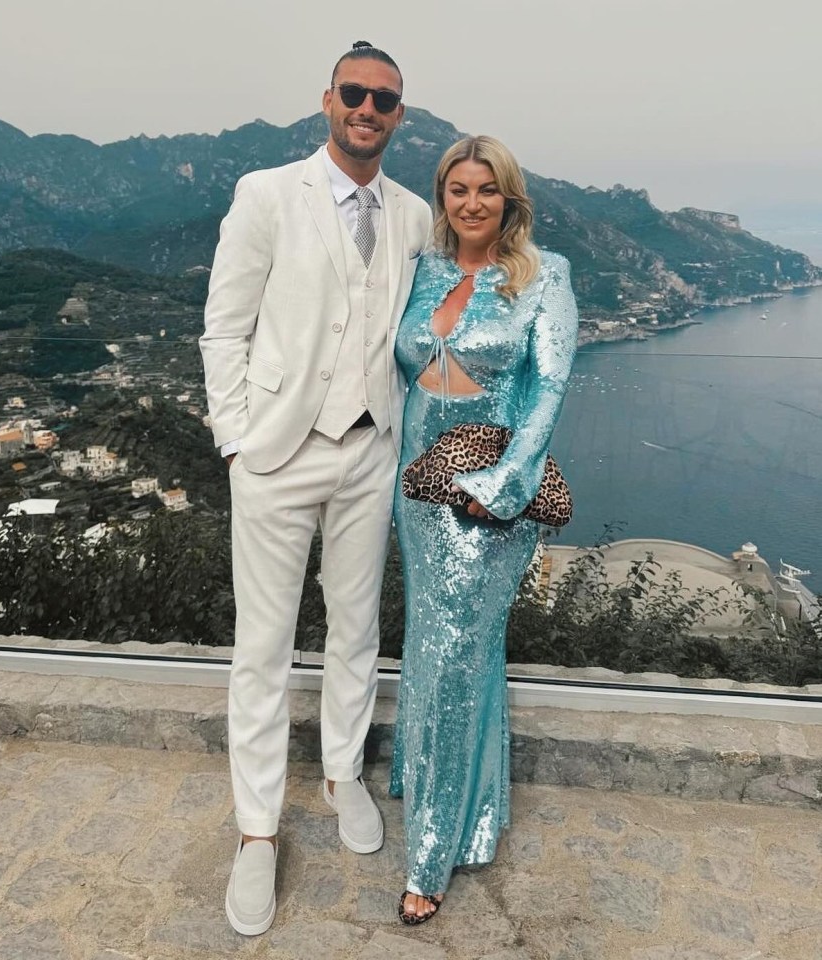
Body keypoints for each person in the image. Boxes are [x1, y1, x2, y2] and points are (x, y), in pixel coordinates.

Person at [199, 41, 432, 936]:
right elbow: (224, 328)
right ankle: (257, 832)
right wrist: (235, 442)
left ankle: (342, 774)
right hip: (277, 456)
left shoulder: (411, 214)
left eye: (385, 99)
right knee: (261, 649)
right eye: (356, 93)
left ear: (399, 117)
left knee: (357, 627)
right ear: (327, 100)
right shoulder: (266, 194)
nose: (368, 108)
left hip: (370, 449)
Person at [389, 136, 579, 923]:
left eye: (487, 191)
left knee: (452, 659)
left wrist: (501, 490)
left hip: (484, 503)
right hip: (418, 494)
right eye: (458, 190)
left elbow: (550, 390)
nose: (472, 203)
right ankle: (471, 802)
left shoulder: (545, 277)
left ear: (510, 200)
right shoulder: (423, 270)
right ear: (444, 198)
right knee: (443, 654)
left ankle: (431, 852)